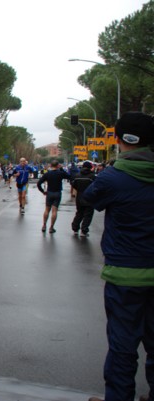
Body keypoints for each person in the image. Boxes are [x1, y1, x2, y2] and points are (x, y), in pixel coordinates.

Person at [83, 112, 154, 401]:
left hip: (125, 275)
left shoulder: (112, 177)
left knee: (123, 347)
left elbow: (89, 199)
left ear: (116, 139)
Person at [36, 160, 70, 233]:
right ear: (58, 165)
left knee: (47, 209)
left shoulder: (47, 174)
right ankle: (51, 227)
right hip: (57, 193)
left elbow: (39, 183)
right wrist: (61, 169)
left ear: (50, 166)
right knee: (54, 210)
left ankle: (44, 225)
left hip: (49, 193)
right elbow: (68, 176)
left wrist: (43, 191)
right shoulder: (60, 173)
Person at [70, 161, 96, 236]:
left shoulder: (77, 176)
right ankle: (84, 231)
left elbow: (73, 184)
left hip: (79, 196)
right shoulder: (92, 176)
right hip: (89, 197)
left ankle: (75, 228)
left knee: (79, 212)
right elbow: (96, 186)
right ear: (90, 168)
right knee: (88, 214)